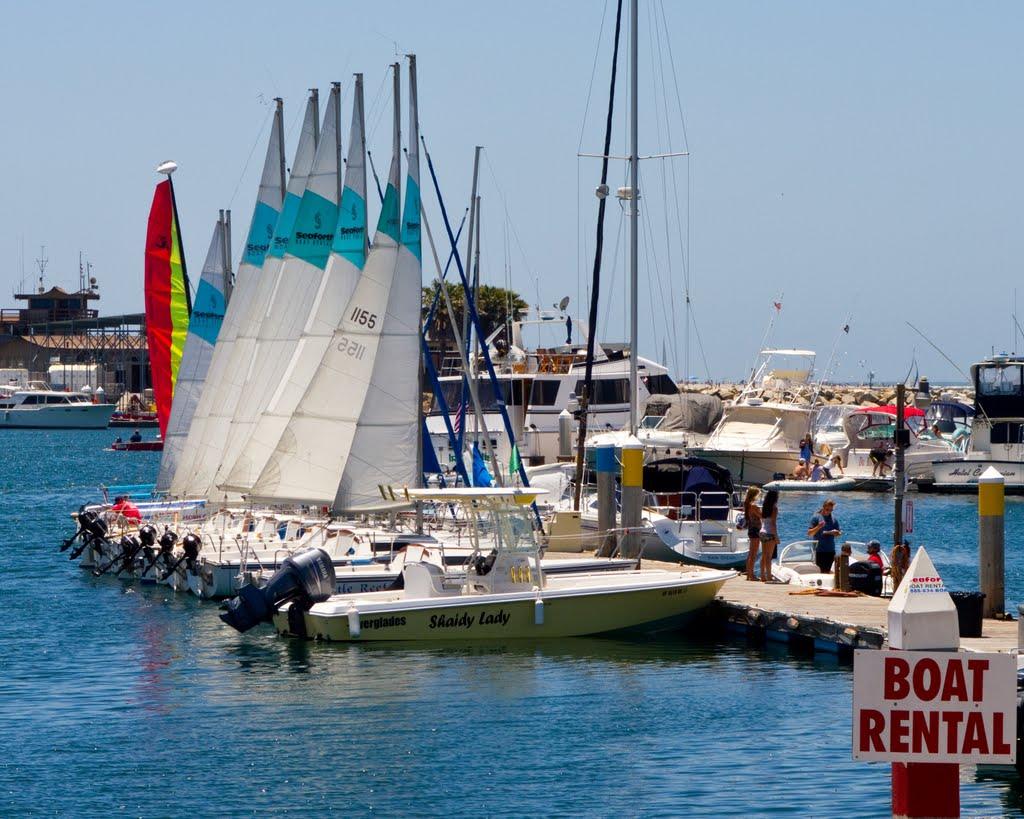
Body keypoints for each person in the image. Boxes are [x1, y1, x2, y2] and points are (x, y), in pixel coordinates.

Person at [807, 498, 841, 573]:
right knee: (820, 573)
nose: (828, 512)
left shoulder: (834, 519)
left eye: (831, 510)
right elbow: (809, 533)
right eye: (827, 509)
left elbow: (839, 533)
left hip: (831, 550)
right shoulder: (816, 517)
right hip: (819, 551)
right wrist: (818, 527)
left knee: (831, 573)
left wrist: (837, 533)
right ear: (823, 507)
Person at [758, 489, 780, 583]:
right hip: (770, 532)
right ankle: (769, 576)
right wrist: (776, 537)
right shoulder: (774, 508)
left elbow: (764, 520)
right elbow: (773, 524)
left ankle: (762, 575)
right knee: (769, 556)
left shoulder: (765, 506)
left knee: (763, 555)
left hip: (762, 532)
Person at [742, 487, 762, 581]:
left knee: (751, 552)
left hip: (751, 529)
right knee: (754, 553)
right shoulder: (753, 506)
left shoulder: (747, 505)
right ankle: (751, 575)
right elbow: (762, 516)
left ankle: (748, 574)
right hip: (755, 530)